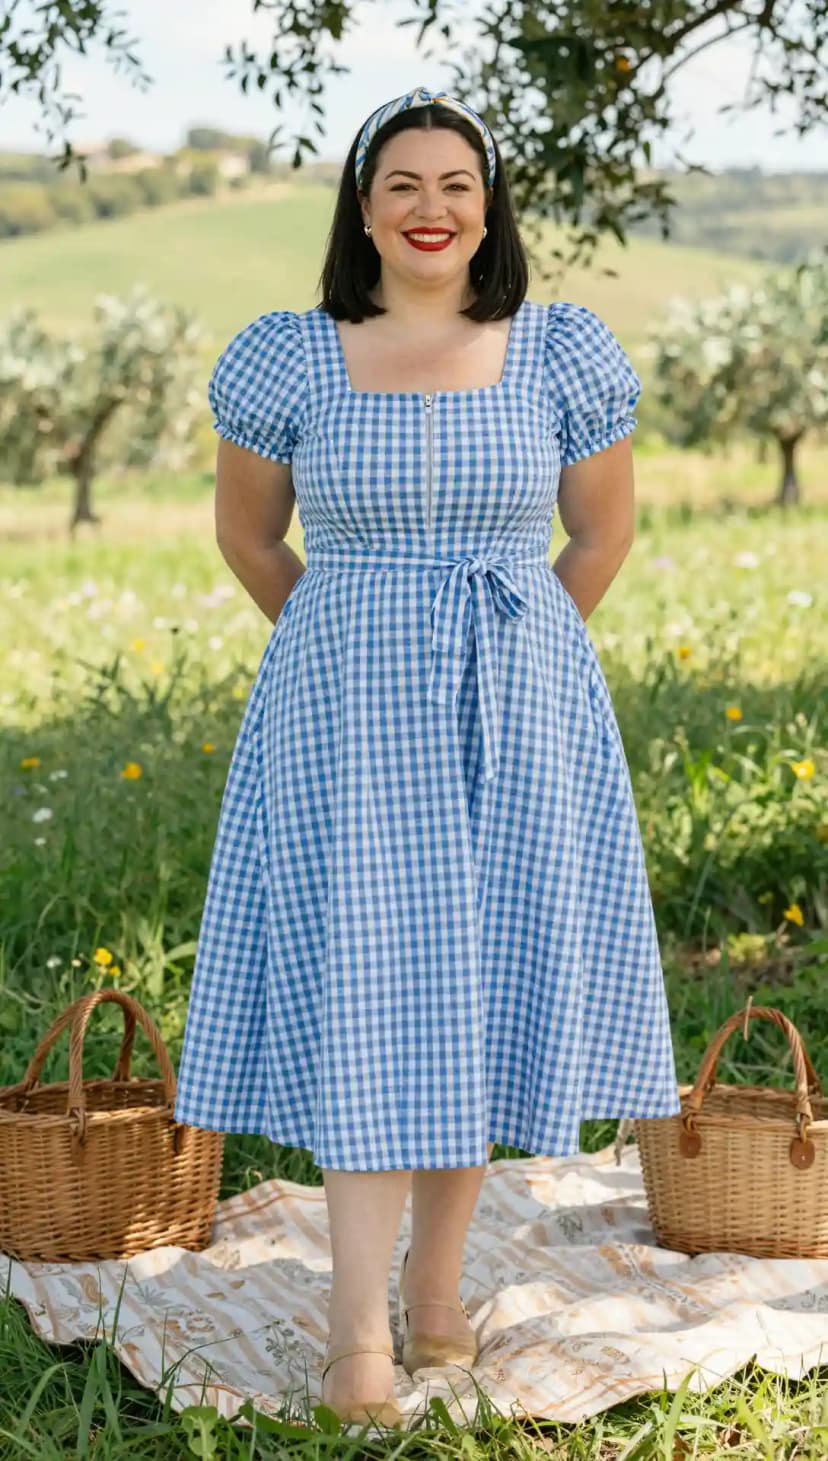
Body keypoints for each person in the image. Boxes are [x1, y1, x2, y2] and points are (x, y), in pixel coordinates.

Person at [173, 84, 682, 1429]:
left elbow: (602, 535)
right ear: (363, 208)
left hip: (523, 710)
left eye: (458, 183)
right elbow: (248, 537)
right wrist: (348, 646)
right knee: (372, 988)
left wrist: (521, 662)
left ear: (489, 205)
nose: (432, 207)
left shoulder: (560, 351)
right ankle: (356, 1337)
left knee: (479, 987)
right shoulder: (289, 356)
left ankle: (439, 1293)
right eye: (403, 183)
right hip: (345, 721)